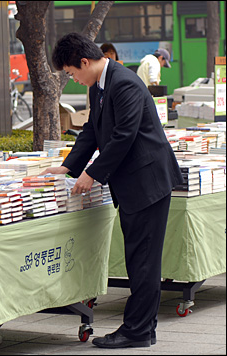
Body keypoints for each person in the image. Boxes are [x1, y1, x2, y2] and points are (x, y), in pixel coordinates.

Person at [41, 33, 183, 349]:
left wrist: (92, 174)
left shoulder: (124, 83)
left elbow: (124, 136)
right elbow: (92, 129)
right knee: (139, 259)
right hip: (134, 183)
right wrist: (68, 168)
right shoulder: (100, 85)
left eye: (72, 73)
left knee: (143, 261)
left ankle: (137, 331)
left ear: (85, 62)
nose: (74, 80)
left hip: (147, 182)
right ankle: (144, 329)